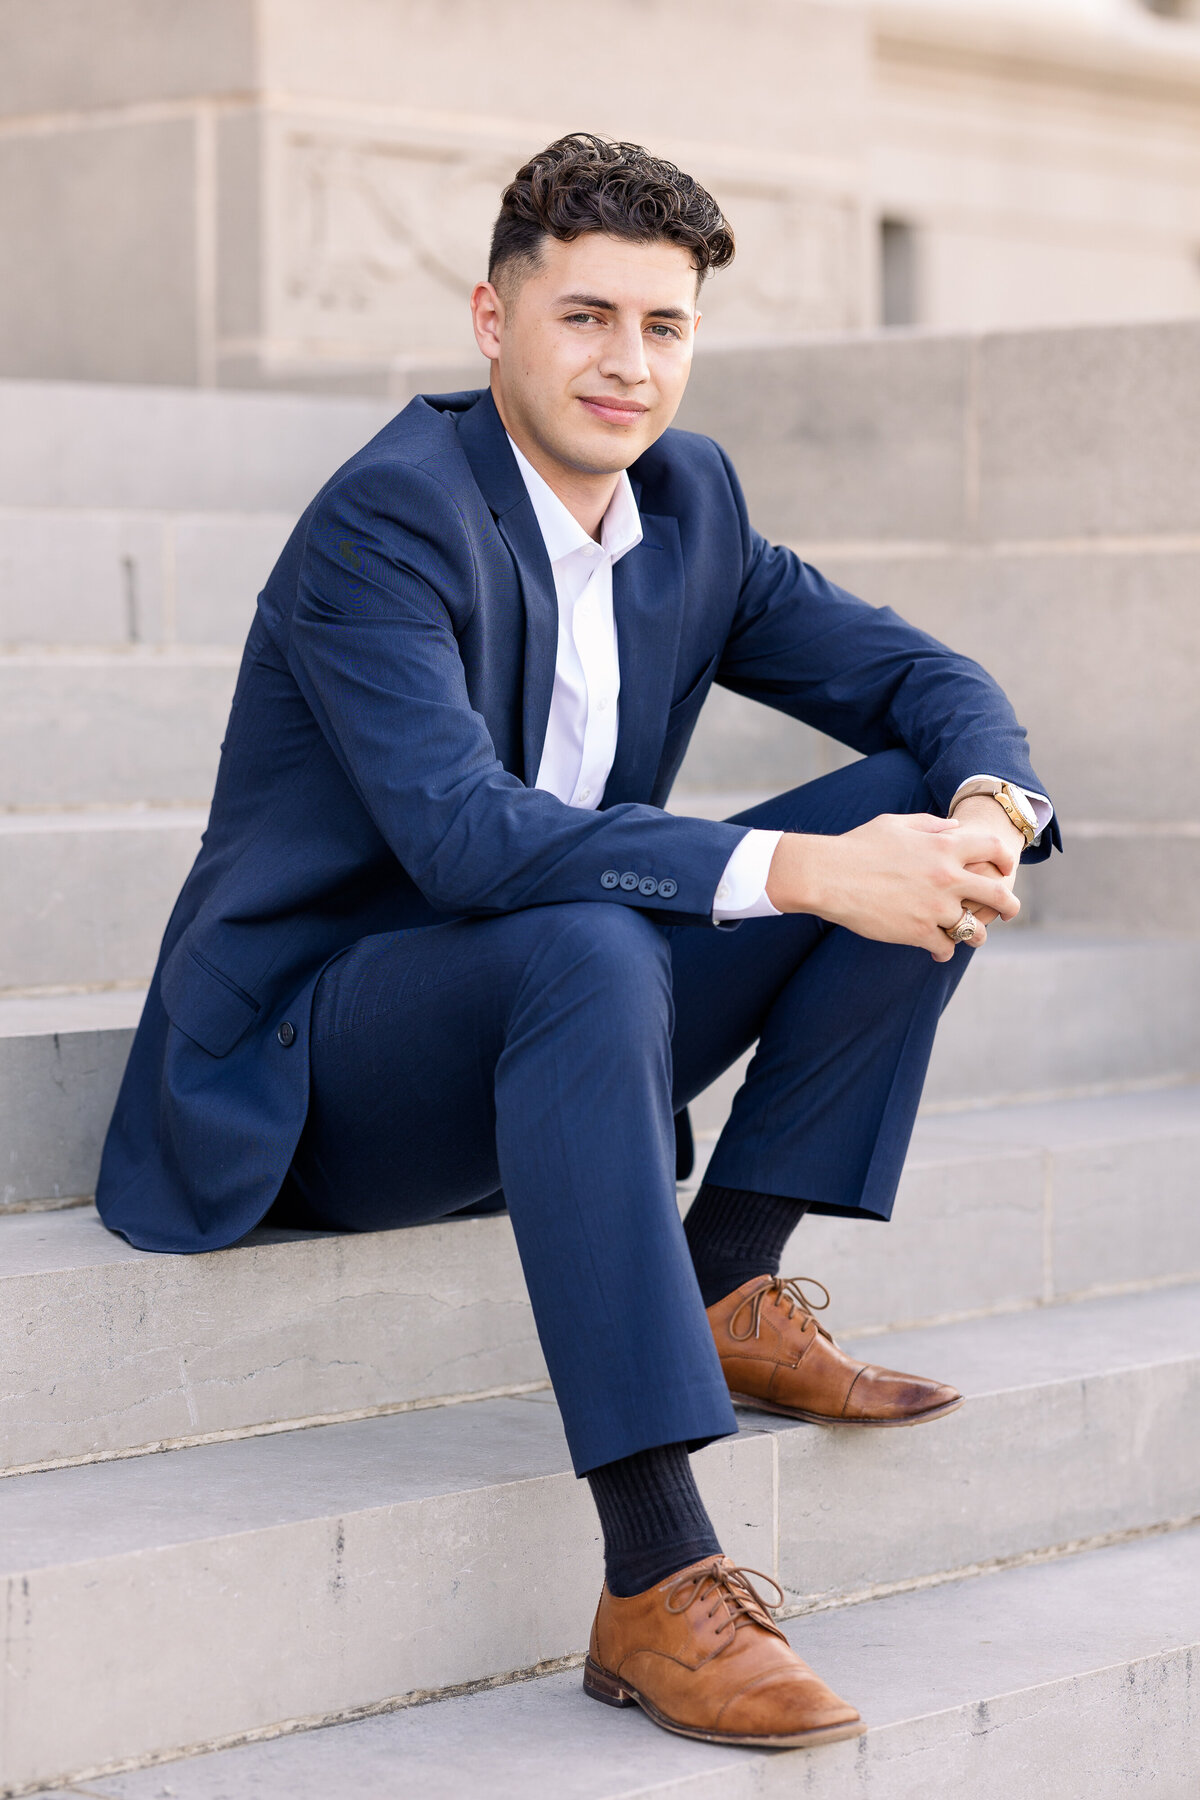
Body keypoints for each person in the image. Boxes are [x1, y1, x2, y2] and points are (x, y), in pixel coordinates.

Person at [97, 133, 1058, 1752]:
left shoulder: (688, 503)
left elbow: (923, 680)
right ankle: (655, 1573)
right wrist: (814, 876)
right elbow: (469, 841)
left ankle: (726, 1284)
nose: (628, 366)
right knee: (632, 933)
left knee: (912, 820)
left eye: (664, 327)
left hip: (557, 1025)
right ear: (493, 322)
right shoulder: (386, 525)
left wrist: (979, 807)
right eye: (585, 318)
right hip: (325, 1058)